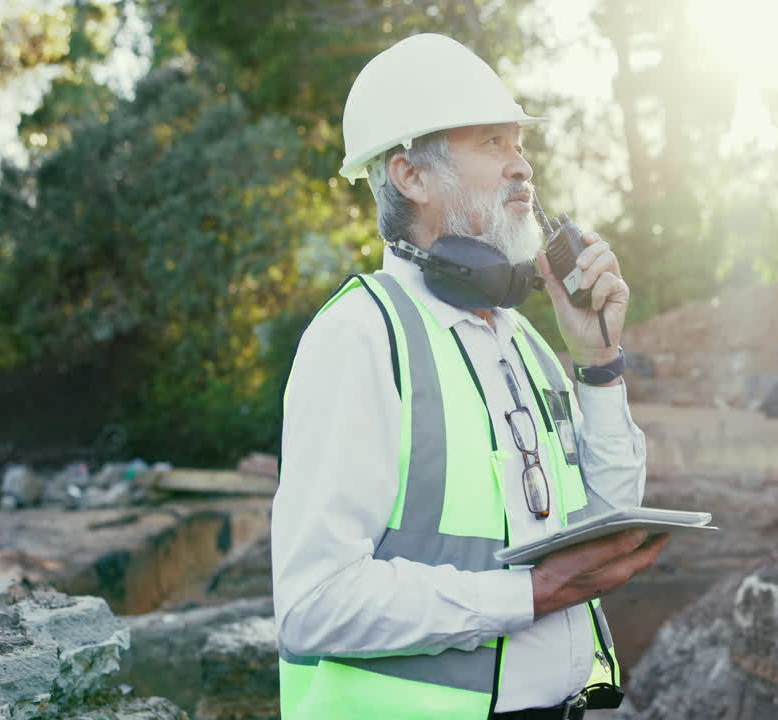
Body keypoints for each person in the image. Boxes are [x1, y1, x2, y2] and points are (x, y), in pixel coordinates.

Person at [272, 33, 669, 720]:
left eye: (520, 145)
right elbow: (312, 605)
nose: (523, 168)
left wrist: (598, 365)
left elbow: (602, 532)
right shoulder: (360, 337)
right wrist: (530, 594)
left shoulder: (525, 343)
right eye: (493, 143)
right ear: (411, 176)